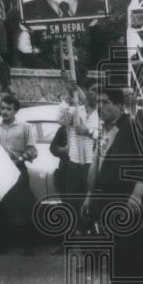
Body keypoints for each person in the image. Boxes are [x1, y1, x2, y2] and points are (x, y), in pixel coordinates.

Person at [83, 87, 143, 284]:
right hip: (106, 200)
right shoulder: (103, 131)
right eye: (98, 101)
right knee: (114, 257)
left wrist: (136, 195)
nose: (100, 106)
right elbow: (98, 162)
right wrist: (90, 195)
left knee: (132, 254)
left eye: (105, 102)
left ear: (119, 105)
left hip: (127, 200)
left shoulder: (132, 127)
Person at [55, 79, 101, 245]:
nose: (95, 93)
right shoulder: (76, 111)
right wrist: (67, 96)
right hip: (74, 163)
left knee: (91, 206)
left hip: (92, 164)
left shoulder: (101, 114)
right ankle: (76, 240)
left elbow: (105, 138)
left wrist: (88, 132)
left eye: (98, 91)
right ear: (86, 91)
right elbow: (60, 119)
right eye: (93, 89)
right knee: (73, 204)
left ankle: (94, 243)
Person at [0, 94, 39, 253]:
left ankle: (28, 244)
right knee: (0, 207)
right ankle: (2, 244)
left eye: (8, 109)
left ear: (15, 111)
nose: (4, 112)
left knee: (23, 207)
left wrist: (19, 159)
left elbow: (32, 150)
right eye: (2, 108)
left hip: (18, 170)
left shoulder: (25, 127)